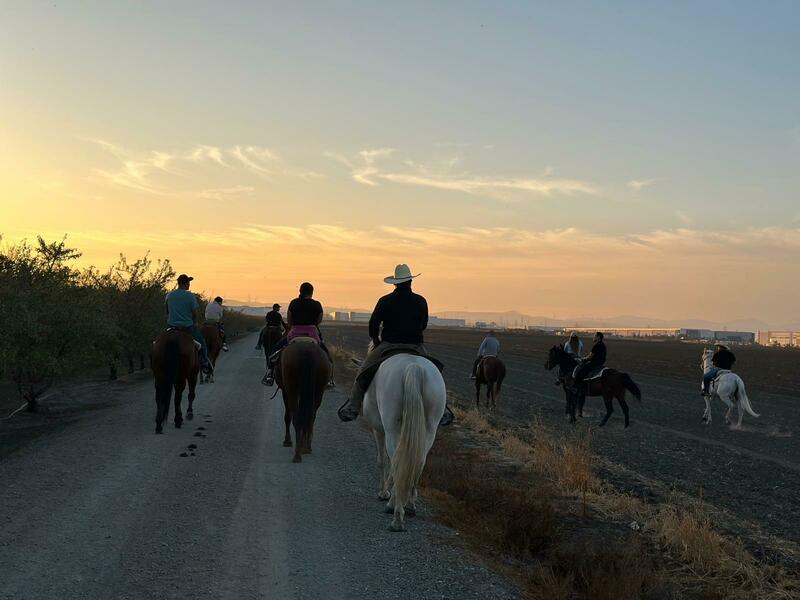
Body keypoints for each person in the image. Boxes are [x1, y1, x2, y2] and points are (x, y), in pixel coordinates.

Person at [338, 263, 450, 425]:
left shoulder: (385, 300)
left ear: (395, 283)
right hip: (416, 346)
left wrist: (376, 341)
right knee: (436, 372)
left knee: (363, 372)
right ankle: (443, 409)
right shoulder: (421, 301)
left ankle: (353, 406)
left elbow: (373, 324)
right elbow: (423, 324)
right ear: (411, 282)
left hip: (389, 345)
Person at [263, 283, 333, 386]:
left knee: (275, 351)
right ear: (312, 292)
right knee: (327, 354)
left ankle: (269, 373)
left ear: (300, 291)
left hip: (295, 334)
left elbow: (290, 321)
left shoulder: (293, 303)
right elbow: (319, 321)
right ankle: (329, 379)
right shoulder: (317, 304)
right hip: (312, 334)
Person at [165, 274, 212, 374]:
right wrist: (195, 322)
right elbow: (195, 312)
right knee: (202, 343)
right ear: (183, 284)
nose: (189, 284)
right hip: (187, 327)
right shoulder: (190, 296)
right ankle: (204, 363)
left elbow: (167, 311)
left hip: (171, 327)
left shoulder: (169, 295)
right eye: (188, 282)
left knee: (159, 342)